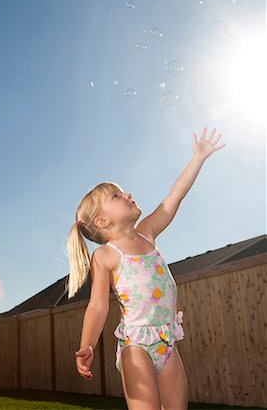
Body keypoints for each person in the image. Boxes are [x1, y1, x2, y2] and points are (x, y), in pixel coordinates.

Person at [66, 127, 226, 410]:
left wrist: (198, 158)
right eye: (116, 196)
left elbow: (172, 198)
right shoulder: (106, 256)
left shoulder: (147, 232)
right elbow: (98, 306)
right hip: (136, 346)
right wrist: (87, 344)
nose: (127, 194)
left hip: (167, 342)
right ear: (102, 222)